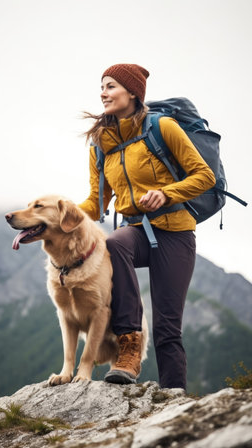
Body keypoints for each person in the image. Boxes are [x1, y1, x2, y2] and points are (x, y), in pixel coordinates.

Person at [79, 63, 216, 390]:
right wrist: (55, 214)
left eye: (111, 86)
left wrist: (166, 193)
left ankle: (173, 400)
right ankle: (129, 344)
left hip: (176, 235)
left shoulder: (163, 127)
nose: (103, 93)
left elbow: (204, 177)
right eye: (102, 87)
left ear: (133, 93)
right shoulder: (101, 145)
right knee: (115, 244)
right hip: (137, 231)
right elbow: (97, 203)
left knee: (168, 329)